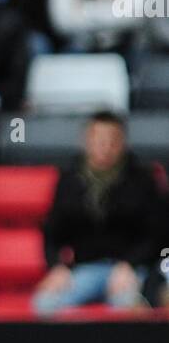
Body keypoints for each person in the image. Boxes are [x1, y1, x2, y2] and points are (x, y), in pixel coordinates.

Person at [33, 112, 164, 314]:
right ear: (86, 141)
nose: (106, 147)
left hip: (129, 270)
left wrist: (130, 265)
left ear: (122, 143)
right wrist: (57, 268)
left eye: (113, 141)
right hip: (85, 269)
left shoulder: (143, 180)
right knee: (45, 304)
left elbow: (156, 235)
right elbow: (51, 233)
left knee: (128, 306)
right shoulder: (69, 181)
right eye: (99, 140)